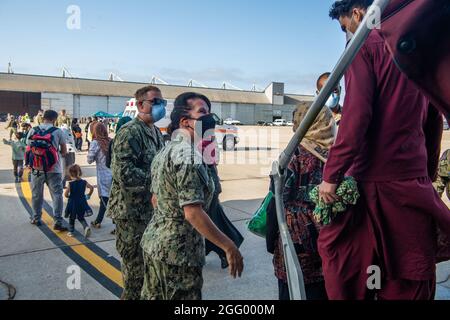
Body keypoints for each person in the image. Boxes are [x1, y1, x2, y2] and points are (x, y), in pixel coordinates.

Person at [317, 0, 450, 300]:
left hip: (373, 184)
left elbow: (356, 119)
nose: (346, 35)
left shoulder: (363, 47)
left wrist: (332, 174)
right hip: (411, 185)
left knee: (352, 269)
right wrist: (424, 177)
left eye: (345, 27)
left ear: (358, 14)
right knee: (410, 276)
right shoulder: (412, 46)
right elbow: (433, 121)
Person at [140, 92, 244, 301]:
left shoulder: (167, 149)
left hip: (155, 244)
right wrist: (229, 246)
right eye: (203, 113)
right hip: (179, 254)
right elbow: (193, 213)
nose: (210, 119)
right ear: (185, 121)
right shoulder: (188, 156)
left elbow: (155, 199)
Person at [106, 86, 166, 300]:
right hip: (131, 213)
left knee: (149, 275)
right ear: (141, 104)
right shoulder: (130, 131)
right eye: (156, 102)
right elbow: (123, 172)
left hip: (148, 212)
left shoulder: (155, 132)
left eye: (163, 102)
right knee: (135, 276)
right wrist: (159, 183)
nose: (161, 106)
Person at [272, 103, 335, 301]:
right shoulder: (338, 155)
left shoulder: (291, 155)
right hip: (330, 234)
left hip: (295, 238)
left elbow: (276, 199)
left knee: (294, 289)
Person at [26, 110, 68, 231]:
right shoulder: (58, 131)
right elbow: (64, 151)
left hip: (36, 168)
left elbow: (28, 148)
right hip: (54, 169)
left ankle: (36, 218)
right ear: (54, 119)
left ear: (43, 118)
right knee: (56, 195)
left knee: (36, 195)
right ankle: (58, 221)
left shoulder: (33, 130)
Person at [87, 122, 112, 229]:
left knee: (104, 199)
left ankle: (98, 221)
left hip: (103, 175)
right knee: (113, 199)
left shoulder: (95, 143)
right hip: (113, 173)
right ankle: (100, 221)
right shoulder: (111, 141)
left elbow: (89, 160)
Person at [64, 164, 94, 238]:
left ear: (70, 174)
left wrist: (69, 196)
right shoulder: (84, 182)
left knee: (72, 217)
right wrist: (88, 195)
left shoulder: (71, 184)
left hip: (73, 203)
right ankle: (86, 227)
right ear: (80, 172)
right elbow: (91, 188)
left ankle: (71, 231)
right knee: (80, 216)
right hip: (82, 202)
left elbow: (66, 194)